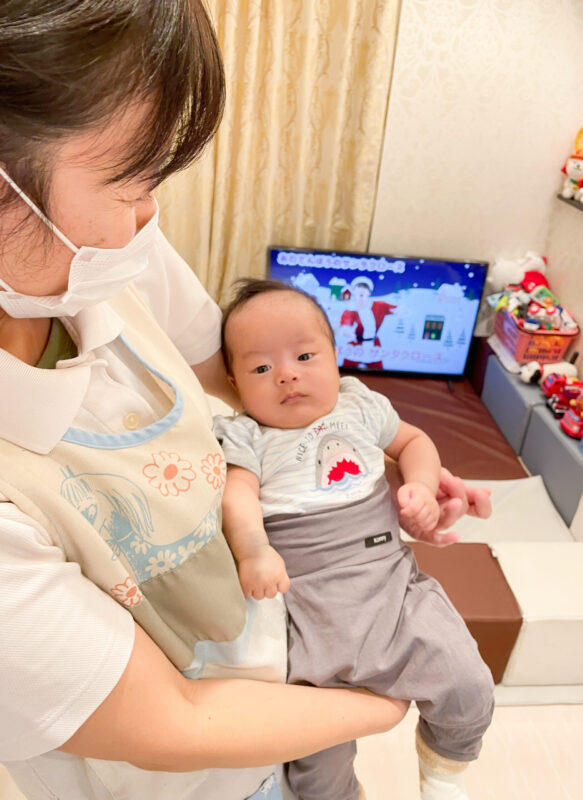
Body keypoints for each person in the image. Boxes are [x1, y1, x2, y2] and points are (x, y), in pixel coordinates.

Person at [0, 4, 490, 799]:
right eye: (131, 179)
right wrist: (385, 699)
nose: (150, 212)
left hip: (286, 651)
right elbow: (173, 724)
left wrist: (373, 469)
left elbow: (240, 378)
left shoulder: (106, 254)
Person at [215, 279, 495, 800]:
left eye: (304, 355)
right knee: (314, 760)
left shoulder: (358, 405)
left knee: (467, 682)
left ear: (336, 356)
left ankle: (442, 775)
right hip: (309, 609)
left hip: (392, 588)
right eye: (260, 368)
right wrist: (253, 549)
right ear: (233, 384)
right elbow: (237, 496)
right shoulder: (247, 434)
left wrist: (421, 486)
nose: (287, 374)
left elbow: (415, 440)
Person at [339, 276, 398, 370]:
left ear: (369, 292)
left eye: (365, 288)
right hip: (355, 346)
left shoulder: (379, 306)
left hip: (373, 346)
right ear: (354, 291)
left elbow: (395, 309)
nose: (362, 290)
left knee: (379, 374)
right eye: (359, 287)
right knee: (346, 373)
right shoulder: (350, 310)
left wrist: (400, 311)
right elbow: (346, 323)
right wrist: (347, 331)